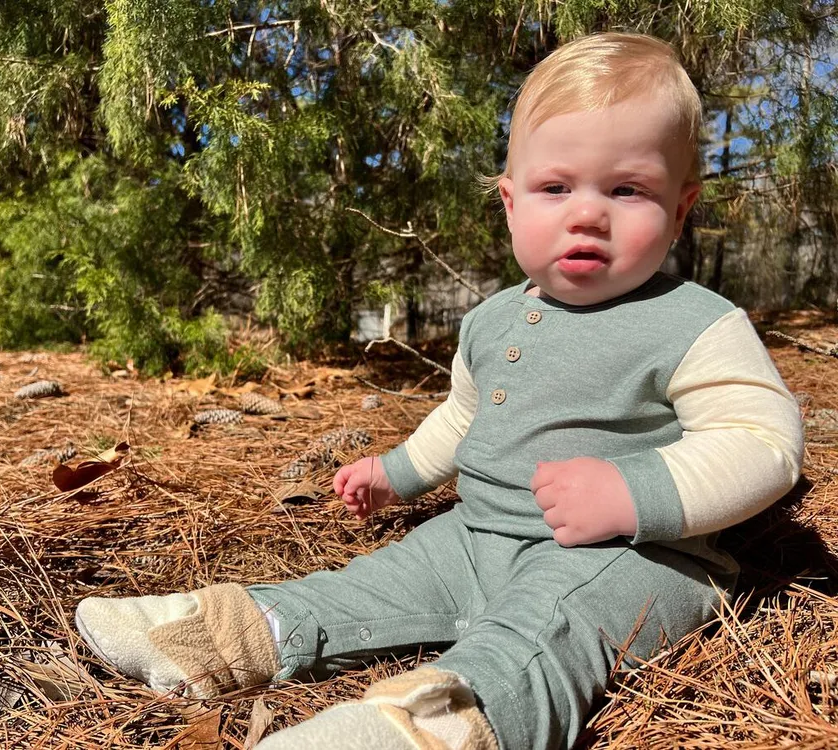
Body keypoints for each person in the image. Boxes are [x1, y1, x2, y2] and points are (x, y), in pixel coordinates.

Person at [73, 32, 804, 750]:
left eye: (628, 189)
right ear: (511, 203)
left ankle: (436, 726)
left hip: (627, 555)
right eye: (556, 187)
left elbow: (764, 442)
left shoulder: (692, 323)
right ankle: (228, 636)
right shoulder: (491, 321)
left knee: (544, 634)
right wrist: (394, 474)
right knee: (367, 584)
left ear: (679, 210)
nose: (587, 212)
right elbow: (464, 417)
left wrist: (634, 492)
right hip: (472, 535)